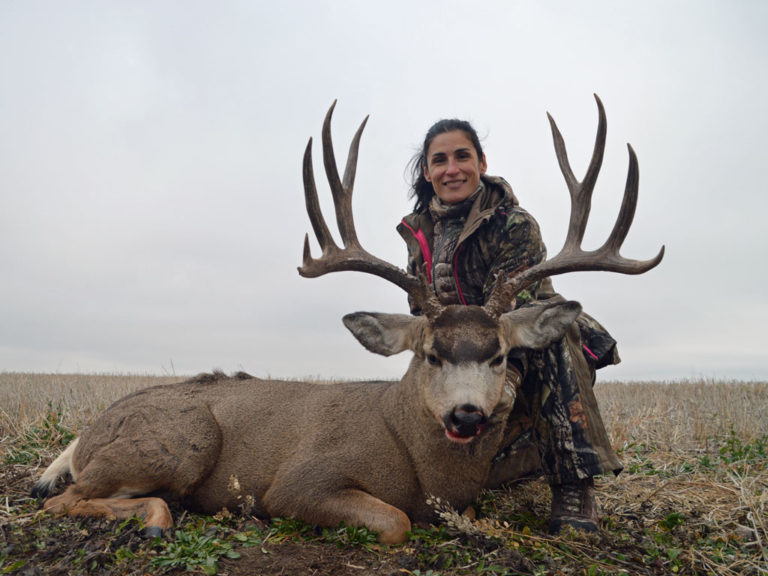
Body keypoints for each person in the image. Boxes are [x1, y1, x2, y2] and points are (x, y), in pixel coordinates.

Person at [396, 118, 623, 534]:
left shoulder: (514, 225)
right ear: (427, 172)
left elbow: (508, 325)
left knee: (553, 331)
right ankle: (523, 453)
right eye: (440, 160)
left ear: (481, 162)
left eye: (463, 156)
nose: (453, 169)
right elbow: (423, 323)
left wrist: (499, 393)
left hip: (520, 354)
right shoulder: (419, 234)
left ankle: (573, 483)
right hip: (461, 370)